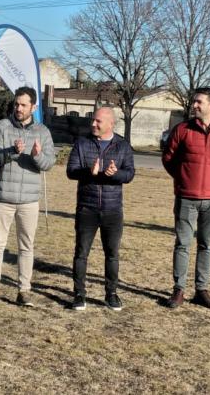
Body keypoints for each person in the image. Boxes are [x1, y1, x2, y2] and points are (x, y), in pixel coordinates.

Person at [161, 87, 210, 309]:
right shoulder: (182, 130)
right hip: (186, 197)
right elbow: (169, 158)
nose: (194, 105)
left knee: (207, 244)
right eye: (194, 101)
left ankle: (201, 289)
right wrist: (184, 178)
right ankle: (179, 290)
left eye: (199, 102)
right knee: (183, 244)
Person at [0, 86, 55, 307]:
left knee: (26, 247)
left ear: (34, 106)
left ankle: (24, 290)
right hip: (3, 197)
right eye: (16, 104)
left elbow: (49, 163)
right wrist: (12, 152)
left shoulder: (42, 132)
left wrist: (37, 155)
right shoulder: (1, 127)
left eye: (23, 104)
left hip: (29, 200)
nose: (19, 108)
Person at [66, 107, 135, 311]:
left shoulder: (122, 145)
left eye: (98, 121)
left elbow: (130, 174)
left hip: (113, 209)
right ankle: (79, 294)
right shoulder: (82, 143)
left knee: (112, 253)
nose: (93, 124)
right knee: (81, 253)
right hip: (87, 208)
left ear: (111, 124)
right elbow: (71, 171)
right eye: (93, 121)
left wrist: (115, 174)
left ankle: (111, 294)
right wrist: (89, 172)